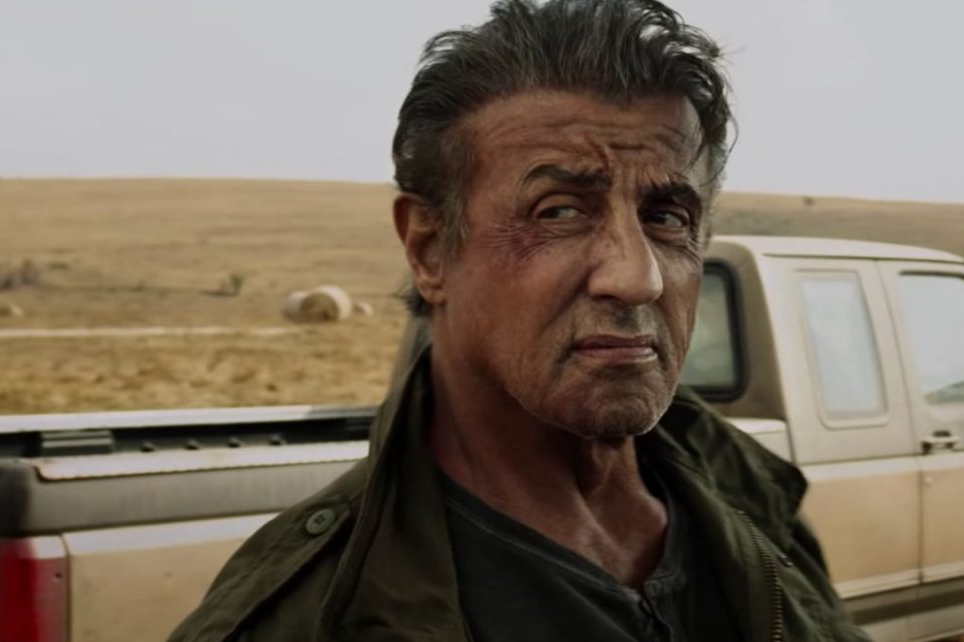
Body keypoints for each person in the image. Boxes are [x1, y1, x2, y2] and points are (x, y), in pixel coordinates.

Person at [169, 1, 870, 640]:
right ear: (429, 248)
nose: (638, 277)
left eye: (666, 217)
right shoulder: (312, 617)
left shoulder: (752, 504)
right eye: (558, 211)